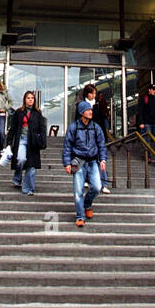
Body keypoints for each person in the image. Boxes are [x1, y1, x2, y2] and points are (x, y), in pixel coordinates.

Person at [63, 100, 107, 228]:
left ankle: (87, 205)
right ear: (82, 112)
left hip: (93, 162)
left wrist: (102, 159)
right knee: (78, 191)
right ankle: (80, 216)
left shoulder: (96, 127)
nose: (91, 112)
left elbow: (101, 145)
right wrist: (67, 163)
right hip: (79, 162)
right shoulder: (73, 127)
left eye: (91, 110)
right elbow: (67, 147)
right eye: (88, 110)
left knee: (97, 187)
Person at [6, 91, 46, 195]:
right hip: (21, 140)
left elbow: (42, 128)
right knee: (21, 159)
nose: (30, 100)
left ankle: (28, 189)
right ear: (25, 99)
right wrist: (9, 142)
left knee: (31, 167)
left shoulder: (37, 113)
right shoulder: (19, 112)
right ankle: (17, 175)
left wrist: (43, 141)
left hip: (33, 142)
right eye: (28, 98)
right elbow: (13, 127)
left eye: (32, 98)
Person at [81, 84, 111, 193]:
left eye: (95, 93)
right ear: (87, 94)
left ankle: (103, 184)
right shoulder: (81, 105)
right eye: (91, 93)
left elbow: (101, 120)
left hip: (97, 134)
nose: (94, 95)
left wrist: (104, 135)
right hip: (84, 135)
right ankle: (86, 180)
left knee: (100, 159)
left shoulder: (97, 104)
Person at [136, 84, 155, 165]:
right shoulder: (144, 99)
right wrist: (141, 122)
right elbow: (140, 111)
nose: (154, 91)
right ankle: (148, 156)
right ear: (149, 90)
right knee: (147, 140)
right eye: (152, 89)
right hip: (147, 122)